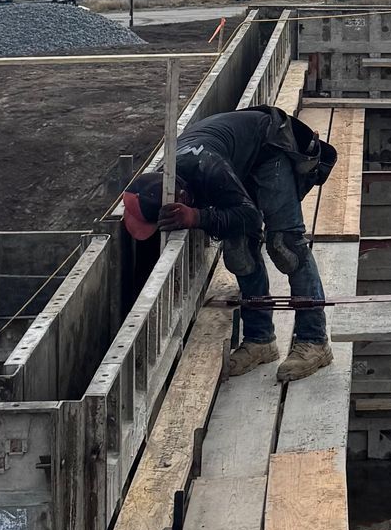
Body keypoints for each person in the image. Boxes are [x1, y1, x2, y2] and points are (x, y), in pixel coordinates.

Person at [121, 105, 336, 382]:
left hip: (269, 148)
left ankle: (315, 341)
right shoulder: (164, 178)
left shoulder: (207, 168)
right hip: (236, 160)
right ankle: (261, 340)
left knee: (286, 245)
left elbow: (247, 216)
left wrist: (197, 216)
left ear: (181, 199)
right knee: (239, 251)